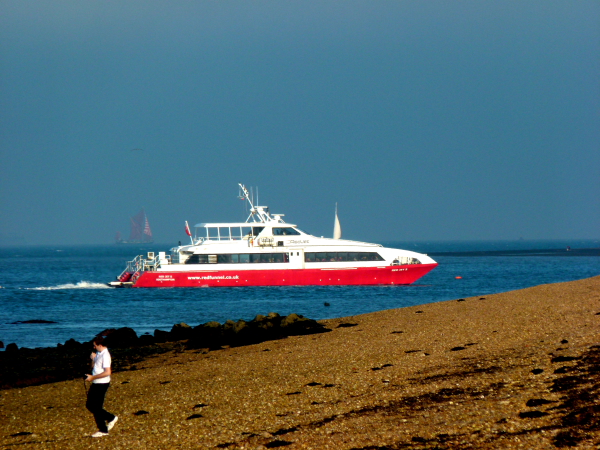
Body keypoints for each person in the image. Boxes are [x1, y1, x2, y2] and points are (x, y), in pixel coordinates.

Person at [85, 336, 118, 437]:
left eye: (95, 345)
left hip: (102, 383)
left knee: (95, 407)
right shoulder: (99, 353)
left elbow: (108, 372)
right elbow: (93, 367)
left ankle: (104, 428)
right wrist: (93, 359)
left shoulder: (105, 355)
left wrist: (93, 377)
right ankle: (109, 420)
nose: (94, 347)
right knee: (90, 405)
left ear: (100, 345)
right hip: (96, 382)